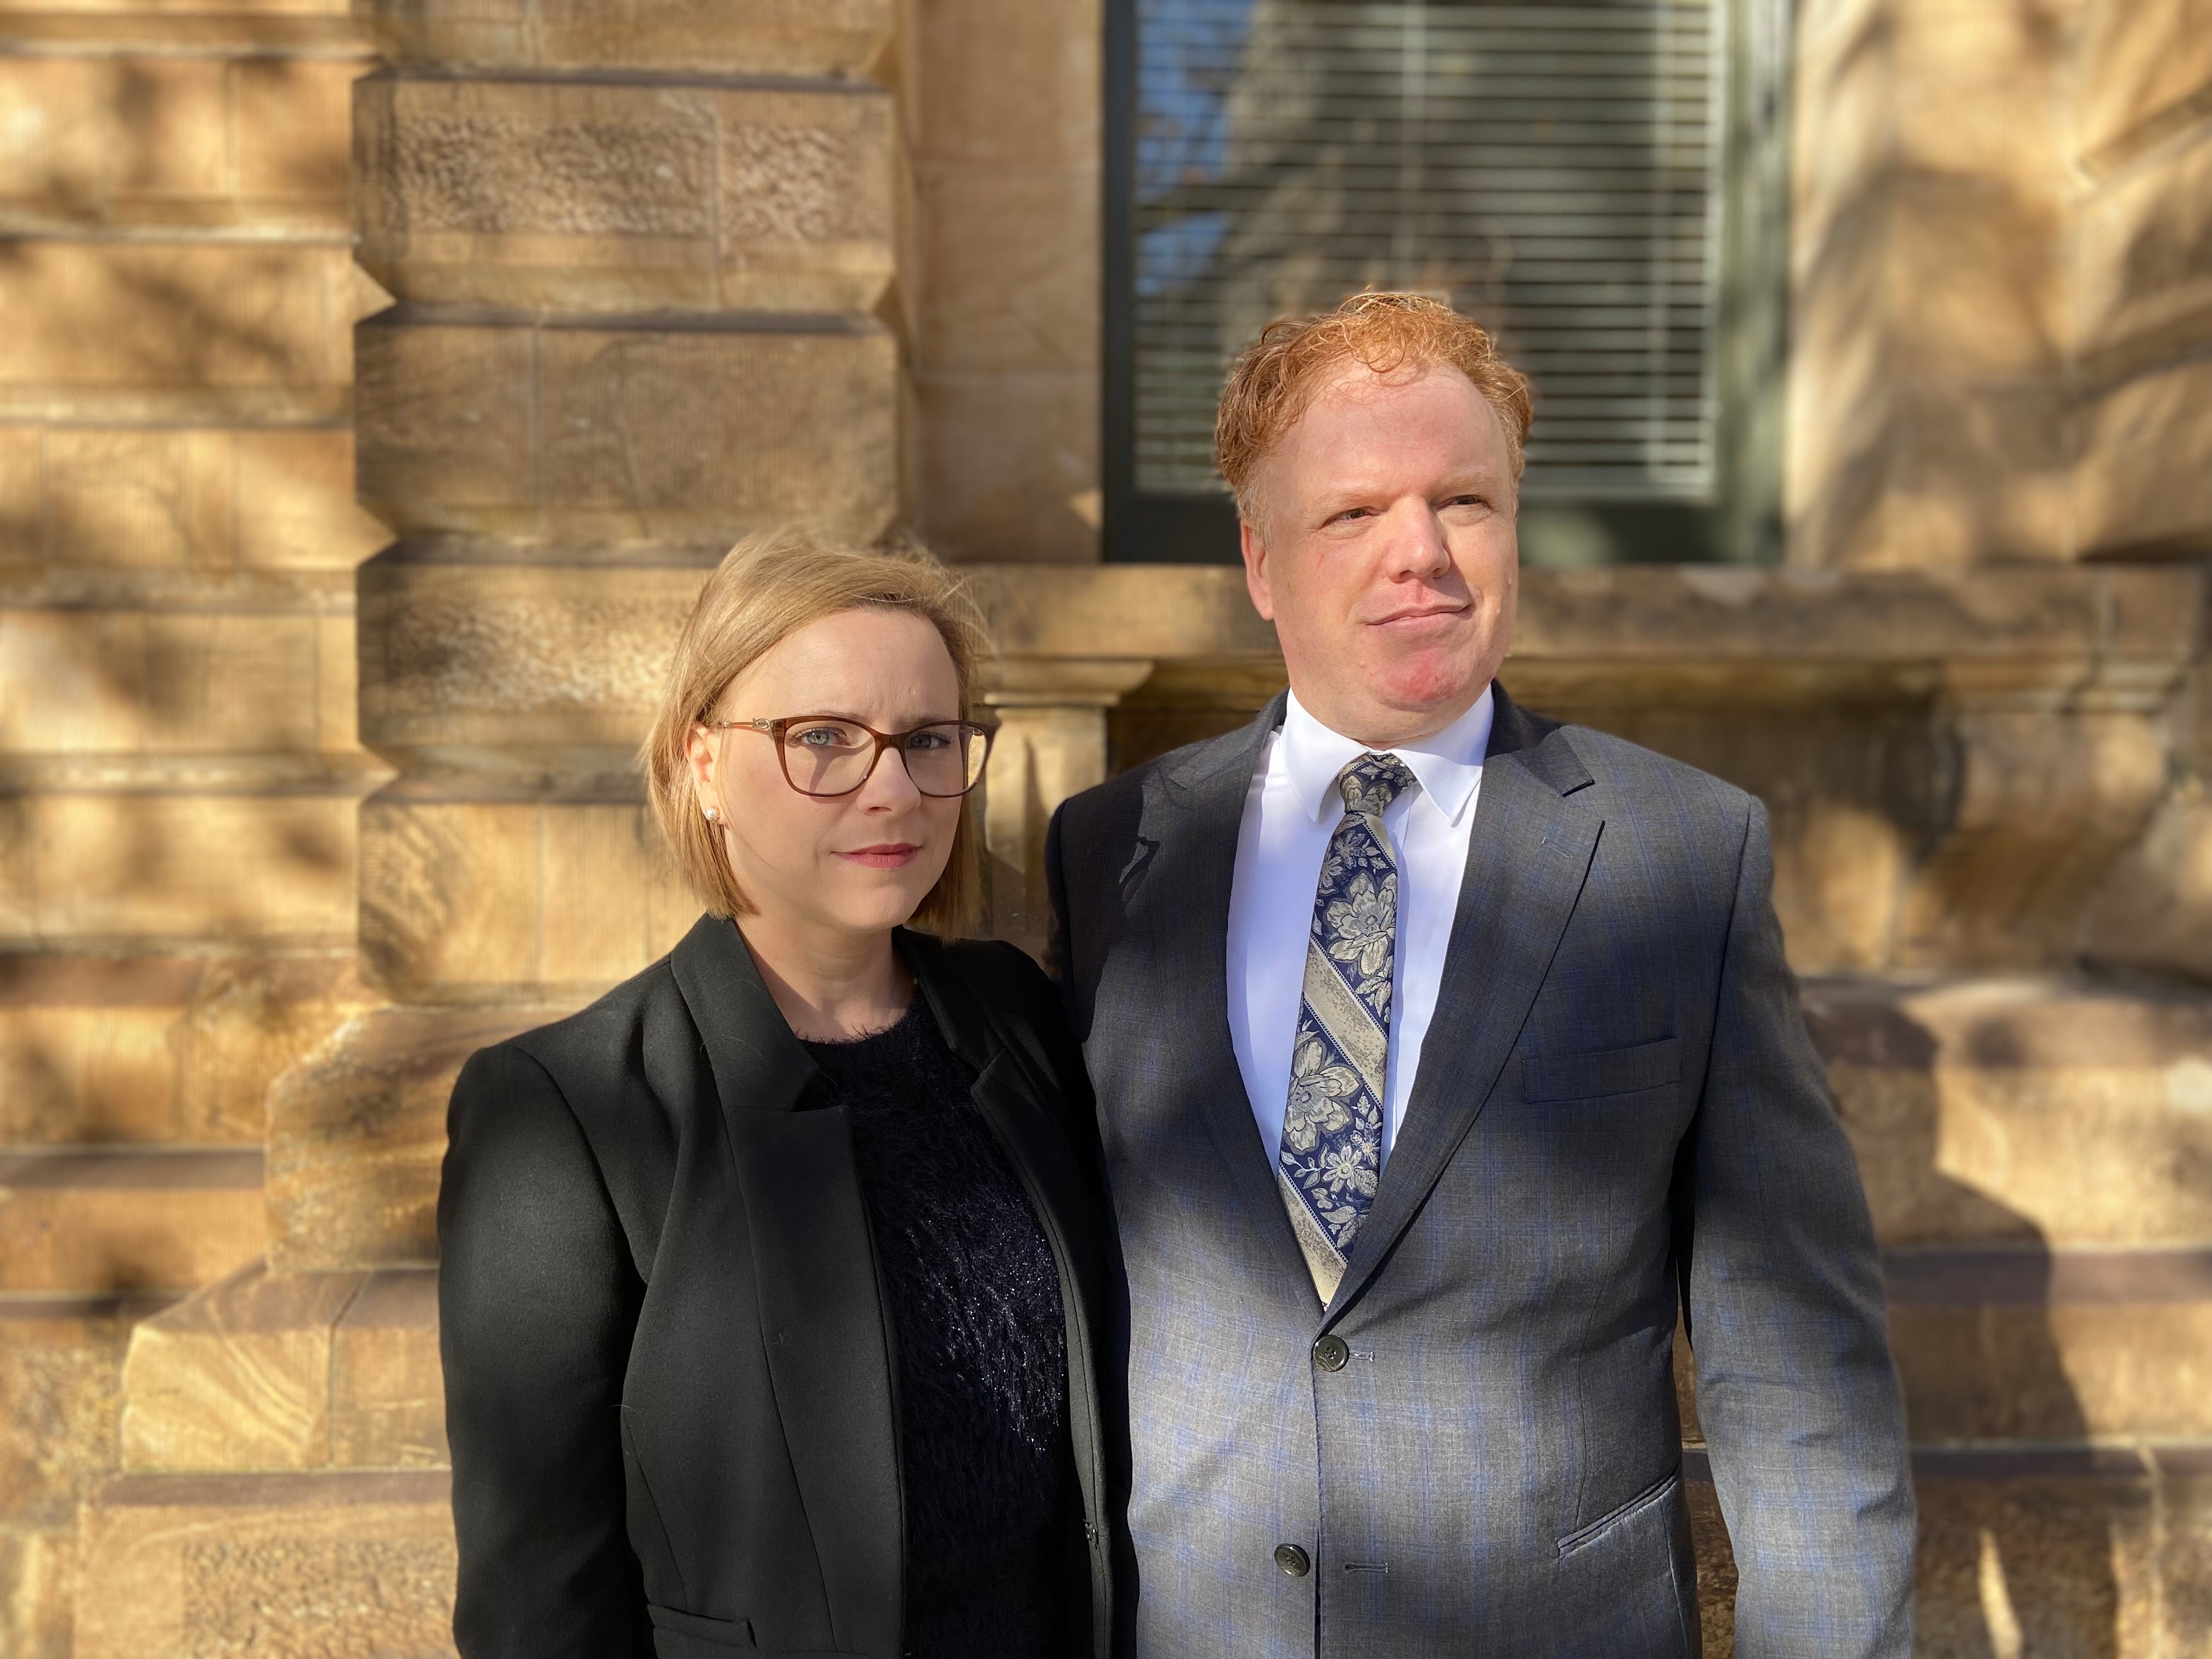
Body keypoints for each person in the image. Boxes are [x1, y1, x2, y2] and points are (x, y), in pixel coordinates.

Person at [1048, 293, 1915, 1657]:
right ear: (1262, 561)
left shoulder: (1682, 850)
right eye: (1352, 514)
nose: (1424, 556)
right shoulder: (1113, 851)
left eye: (1466, 501)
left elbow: (1795, 1360)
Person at [438, 531, 1122, 1659]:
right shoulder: (561, 1110)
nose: (892, 789)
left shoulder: (1017, 1018)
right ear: (703, 763)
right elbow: (536, 1605)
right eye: (823, 740)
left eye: (929, 739)